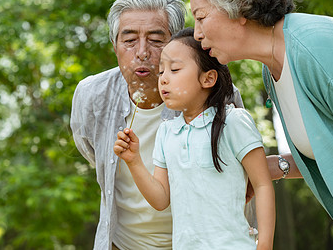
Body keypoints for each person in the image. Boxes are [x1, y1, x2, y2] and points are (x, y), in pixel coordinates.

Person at [70, 0, 245, 249]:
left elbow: (240, 174)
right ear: (114, 46)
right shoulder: (92, 96)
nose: (141, 52)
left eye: (155, 40)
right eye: (129, 40)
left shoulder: (214, 93)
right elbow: (94, 153)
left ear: (177, 45)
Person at [177, 0, 333, 227]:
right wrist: (268, 169)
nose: (196, 34)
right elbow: (330, 151)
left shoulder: (313, 46)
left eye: (201, 17)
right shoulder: (273, 69)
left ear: (238, 5)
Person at [114, 27, 275, 249]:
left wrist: (265, 244)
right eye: (161, 72)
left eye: (175, 69)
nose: (163, 80)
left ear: (208, 78)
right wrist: (134, 161)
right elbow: (161, 200)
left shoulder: (234, 122)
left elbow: (263, 184)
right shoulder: (167, 132)